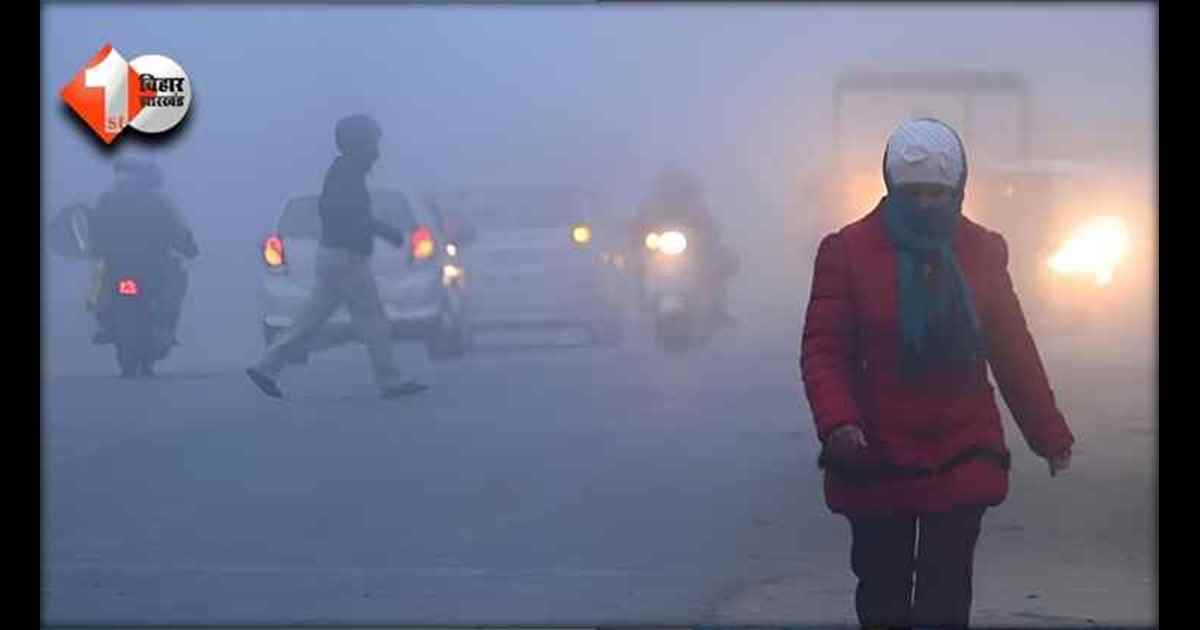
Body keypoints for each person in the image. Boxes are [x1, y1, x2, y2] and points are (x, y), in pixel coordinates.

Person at [799, 118, 1075, 628]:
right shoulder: (847, 252)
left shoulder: (982, 252)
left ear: (958, 190)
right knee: (882, 589)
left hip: (960, 445)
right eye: (915, 193)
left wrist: (1049, 434)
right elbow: (824, 350)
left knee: (945, 594)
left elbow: (1012, 349)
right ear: (891, 187)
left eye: (938, 193)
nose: (927, 204)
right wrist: (838, 423)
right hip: (875, 451)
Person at [245, 114, 428, 399]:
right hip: (346, 258)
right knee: (373, 320)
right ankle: (390, 381)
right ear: (357, 144)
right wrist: (384, 231)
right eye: (372, 143)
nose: (377, 152)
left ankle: (266, 366)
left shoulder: (344, 172)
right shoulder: (347, 174)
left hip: (336, 256)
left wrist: (377, 229)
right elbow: (351, 216)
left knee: (310, 320)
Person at [88, 156, 198, 350]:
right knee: (177, 279)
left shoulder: (108, 200)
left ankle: (108, 325)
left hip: (123, 264)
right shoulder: (158, 201)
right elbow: (177, 230)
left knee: (100, 281)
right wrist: (188, 248)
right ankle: (164, 327)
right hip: (147, 264)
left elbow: (94, 231)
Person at [631, 168, 736, 323]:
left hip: (690, 253)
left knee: (717, 263)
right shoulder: (652, 207)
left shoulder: (697, 209)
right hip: (658, 254)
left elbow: (711, 230)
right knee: (637, 266)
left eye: (679, 189)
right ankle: (641, 300)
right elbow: (639, 226)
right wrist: (640, 237)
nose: (674, 193)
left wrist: (704, 240)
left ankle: (717, 308)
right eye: (670, 188)